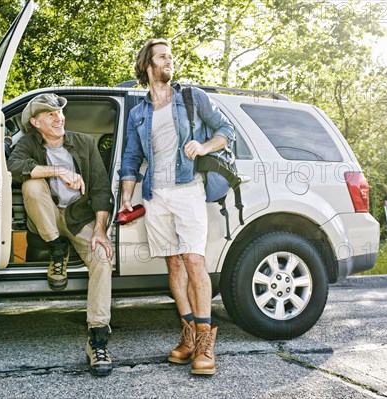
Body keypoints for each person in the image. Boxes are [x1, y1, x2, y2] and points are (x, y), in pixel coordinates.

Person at [118, 39, 235, 375]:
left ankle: (204, 342)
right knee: (174, 264)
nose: (169, 60)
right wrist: (128, 195)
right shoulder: (139, 113)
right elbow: (131, 156)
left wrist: (204, 145)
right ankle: (187, 334)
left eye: (171, 56)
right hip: (157, 195)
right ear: (147, 66)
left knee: (195, 261)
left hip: (187, 190)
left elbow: (226, 131)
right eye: (162, 56)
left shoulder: (191, 97)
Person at [7, 93, 114, 377]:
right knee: (31, 185)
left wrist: (101, 230)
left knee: (102, 257)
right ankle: (57, 249)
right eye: (50, 115)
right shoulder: (29, 143)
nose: (59, 118)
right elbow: (15, 167)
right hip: (49, 217)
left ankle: (98, 338)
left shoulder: (84, 143)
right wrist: (59, 172)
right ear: (35, 122)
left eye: (60, 113)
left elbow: (102, 190)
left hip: (79, 217)